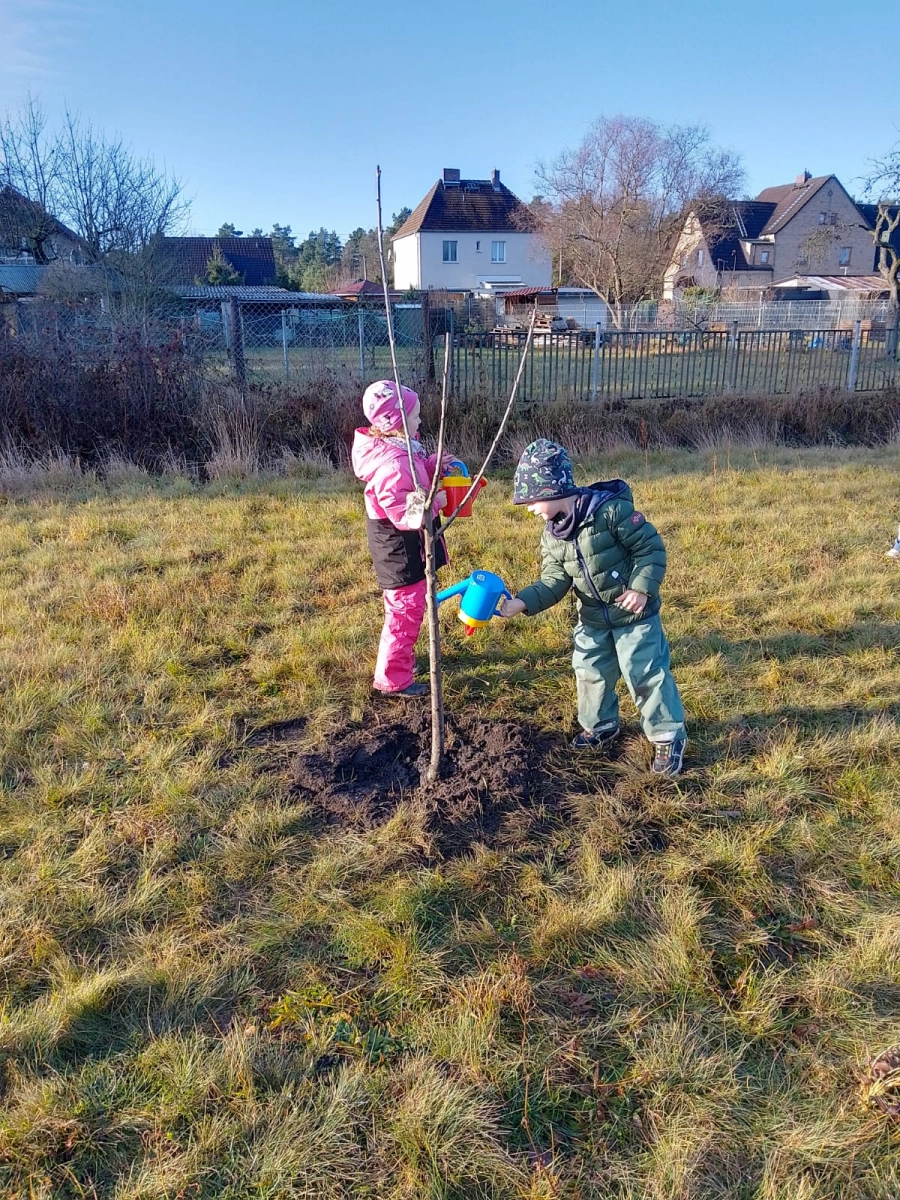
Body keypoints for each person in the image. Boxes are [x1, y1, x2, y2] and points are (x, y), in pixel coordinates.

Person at [498, 439, 687, 776]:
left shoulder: (610, 512)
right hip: (592, 618)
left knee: (645, 673)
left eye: (532, 500)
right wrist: (521, 603)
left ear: (554, 490)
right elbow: (553, 581)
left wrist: (641, 589)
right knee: (589, 673)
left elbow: (650, 549)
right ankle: (600, 726)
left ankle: (667, 735)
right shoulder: (553, 536)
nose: (529, 509)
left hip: (634, 615)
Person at [351, 380, 448, 697]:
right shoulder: (393, 463)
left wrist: (433, 466)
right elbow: (402, 512)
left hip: (406, 546)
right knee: (404, 613)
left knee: (410, 610)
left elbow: (415, 477)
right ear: (396, 422)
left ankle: (401, 660)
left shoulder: (404, 451)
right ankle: (393, 679)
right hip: (398, 549)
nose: (420, 421)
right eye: (415, 416)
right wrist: (437, 504)